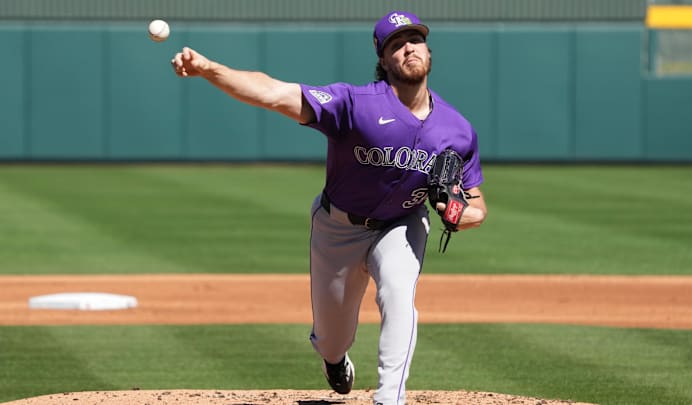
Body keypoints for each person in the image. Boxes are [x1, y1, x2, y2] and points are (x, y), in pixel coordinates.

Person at [171, 10, 487, 405]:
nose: (409, 47)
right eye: (396, 43)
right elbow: (274, 93)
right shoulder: (354, 103)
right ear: (383, 57)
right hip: (338, 228)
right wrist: (209, 68)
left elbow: (476, 207)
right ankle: (334, 359)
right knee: (332, 337)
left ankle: (390, 399)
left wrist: (456, 213)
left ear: (427, 49)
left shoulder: (457, 129)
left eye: (415, 39)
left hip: (402, 224)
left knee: (398, 293)